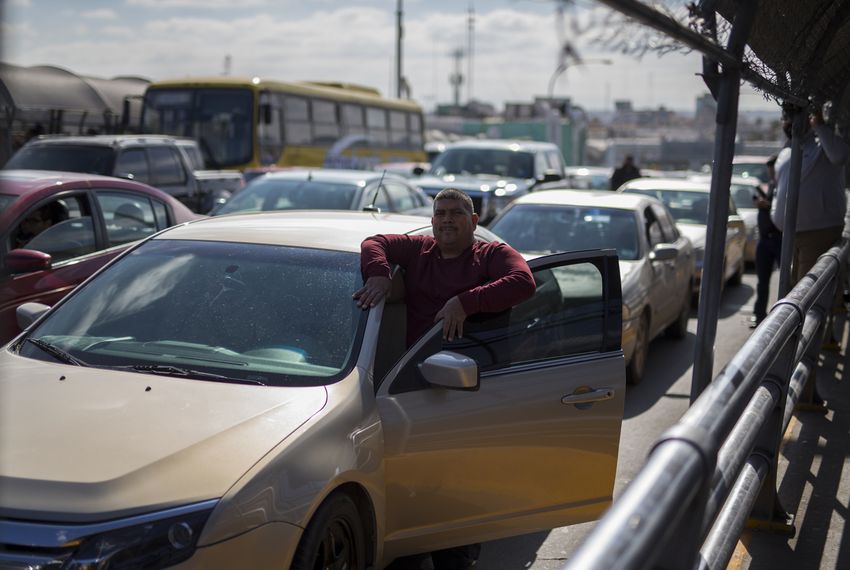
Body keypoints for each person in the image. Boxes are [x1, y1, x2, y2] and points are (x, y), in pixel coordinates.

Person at [352, 187, 536, 569]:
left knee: (462, 481)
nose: (447, 219)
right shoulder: (419, 251)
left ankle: (458, 552)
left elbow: (524, 282)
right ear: (432, 220)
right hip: (415, 384)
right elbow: (374, 242)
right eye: (440, 213)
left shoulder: (491, 255)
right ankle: (414, 545)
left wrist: (465, 302)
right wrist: (380, 275)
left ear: (473, 221)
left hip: (471, 387)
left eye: (455, 213)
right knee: (418, 476)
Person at [771, 105, 850, 286]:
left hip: (818, 232)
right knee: (792, 289)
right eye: (786, 119)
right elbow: (779, 190)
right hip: (790, 235)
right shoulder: (786, 152)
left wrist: (819, 126)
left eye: (795, 118)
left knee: (806, 292)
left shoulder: (823, 147)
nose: (789, 123)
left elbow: (840, 156)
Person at [749, 155, 782, 329]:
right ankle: (759, 314)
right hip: (764, 240)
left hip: (780, 238)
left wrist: (767, 206)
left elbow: (782, 207)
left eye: (773, 170)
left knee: (787, 280)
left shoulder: (784, 185)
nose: (772, 174)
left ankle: (784, 318)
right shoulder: (769, 184)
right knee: (762, 281)